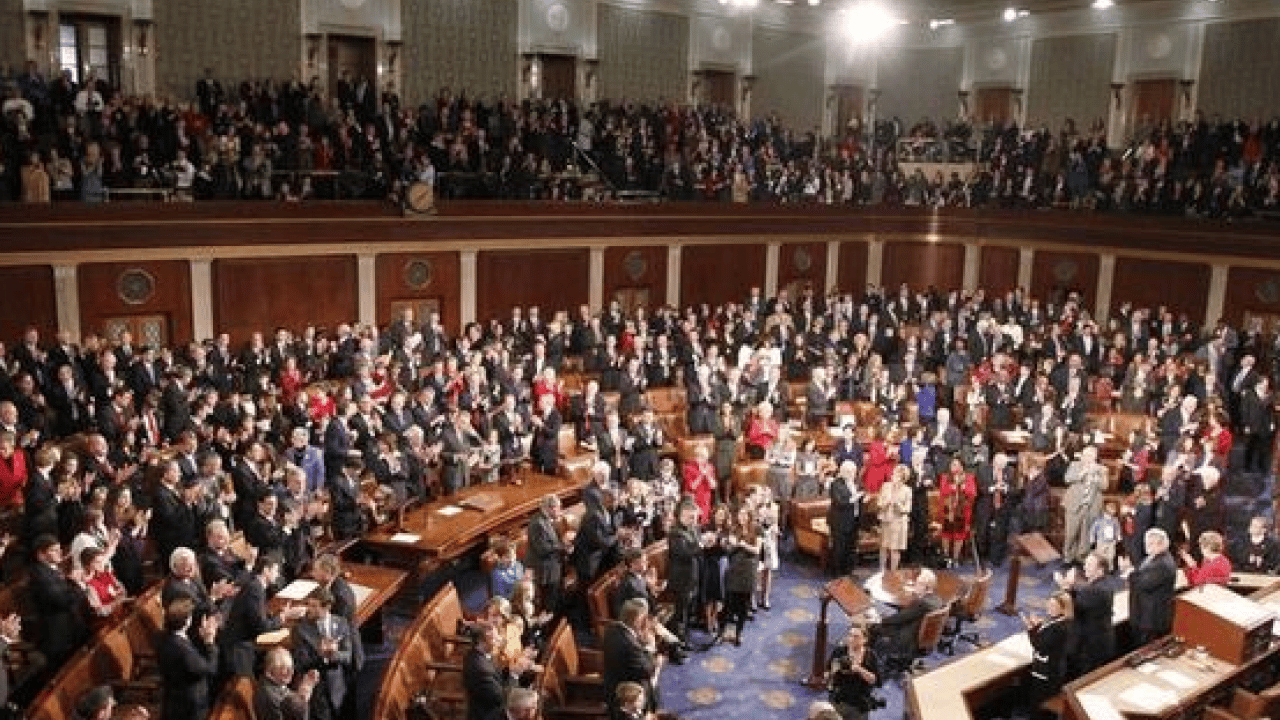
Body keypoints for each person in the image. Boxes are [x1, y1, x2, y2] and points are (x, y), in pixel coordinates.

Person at [221, 555, 306, 676]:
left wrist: (278, 615)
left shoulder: (256, 586)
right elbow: (261, 626)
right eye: (275, 570)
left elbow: (257, 616)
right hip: (238, 649)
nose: (277, 575)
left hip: (242, 645)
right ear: (266, 570)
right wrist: (285, 616)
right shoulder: (255, 588)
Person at [291, 588, 355, 720]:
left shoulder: (341, 623)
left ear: (327, 607)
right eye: (308, 604)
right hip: (317, 691)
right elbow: (301, 663)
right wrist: (321, 655)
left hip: (338, 686)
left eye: (314, 606)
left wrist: (333, 654)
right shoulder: (300, 629)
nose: (309, 609)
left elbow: (348, 656)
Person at [29, 533, 89, 669]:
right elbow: (62, 600)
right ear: (41, 554)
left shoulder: (50, 570)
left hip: (69, 628)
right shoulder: (40, 576)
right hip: (59, 636)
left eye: (59, 548)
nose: (60, 552)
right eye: (54, 550)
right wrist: (76, 583)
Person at [156, 598, 219, 720]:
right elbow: (210, 669)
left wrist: (202, 638)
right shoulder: (182, 650)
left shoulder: (164, 637)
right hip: (189, 706)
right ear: (188, 620)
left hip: (173, 699)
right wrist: (210, 642)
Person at [1056, 552, 1115, 677]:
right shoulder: (1103, 584)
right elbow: (1080, 593)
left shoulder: (1095, 590)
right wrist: (1070, 587)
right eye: (1085, 563)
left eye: (1089, 564)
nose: (1085, 567)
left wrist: (1065, 586)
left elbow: (1069, 608)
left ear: (1100, 571)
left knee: (1083, 679)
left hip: (1089, 646)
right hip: (1098, 640)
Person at [602, 598, 661, 714]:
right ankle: (649, 711)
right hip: (624, 695)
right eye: (644, 618)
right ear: (636, 620)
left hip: (613, 680)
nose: (646, 621)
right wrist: (651, 647)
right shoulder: (630, 645)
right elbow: (647, 670)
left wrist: (640, 638)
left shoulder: (611, 629)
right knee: (651, 677)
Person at [1121, 527, 1177, 646]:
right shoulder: (1153, 558)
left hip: (1151, 619)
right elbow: (1141, 575)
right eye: (1146, 542)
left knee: (1146, 648)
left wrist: (1129, 573)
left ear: (1161, 544)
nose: (1147, 545)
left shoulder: (1163, 564)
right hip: (1144, 615)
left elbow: (1144, 583)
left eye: (1150, 543)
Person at [1022, 592, 1074, 719]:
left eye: (1053, 606)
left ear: (1063, 608)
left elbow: (1040, 647)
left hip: (1047, 673)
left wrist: (1031, 629)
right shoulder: (1061, 621)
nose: (1049, 608)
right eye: (1049, 604)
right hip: (1053, 669)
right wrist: (1037, 626)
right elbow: (1046, 638)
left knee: (1039, 705)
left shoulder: (1059, 627)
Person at [665, 499, 702, 646]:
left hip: (691, 577)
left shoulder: (692, 529)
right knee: (680, 615)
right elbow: (685, 553)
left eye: (694, 517)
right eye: (690, 517)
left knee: (687, 612)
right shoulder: (675, 533)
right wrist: (701, 545)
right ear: (681, 516)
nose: (693, 520)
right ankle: (677, 646)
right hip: (680, 580)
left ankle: (684, 639)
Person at [827, 624, 882, 720]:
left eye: (856, 636)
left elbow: (874, 680)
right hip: (839, 699)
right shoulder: (839, 651)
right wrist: (833, 671)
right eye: (849, 635)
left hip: (859, 703)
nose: (851, 639)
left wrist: (858, 669)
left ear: (864, 640)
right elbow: (828, 672)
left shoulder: (870, 656)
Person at [254, 647, 320, 720]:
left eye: (291, 668)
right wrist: (302, 698)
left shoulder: (276, 685)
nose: (290, 672)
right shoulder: (268, 694)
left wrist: (305, 689)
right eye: (283, 668)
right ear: (269, 672)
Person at [527, 494, 566, 616]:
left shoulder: (545, 520)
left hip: (551, 565)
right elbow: (542, 549)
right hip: (544, 570)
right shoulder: (537, 523)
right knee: (549, 601)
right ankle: (550, 623)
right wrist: (562, 546)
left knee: (555, 597)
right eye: (558, 508)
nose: (560, 511)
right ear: (551, 508)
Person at [463, 620, 510, 720]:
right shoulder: (480, 668)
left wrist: (511, 670)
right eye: (495, 638)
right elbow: (501, 698)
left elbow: (498, 676)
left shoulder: (482, 655)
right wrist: (515, 675)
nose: (499, 641)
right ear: (483, 640)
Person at [826, 460, 862, 577]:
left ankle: (848, 571)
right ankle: (837, 573)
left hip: (854, 519)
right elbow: (839, 502)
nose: (854, 474)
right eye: (851, 471)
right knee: (839, 547)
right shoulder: (836, 484)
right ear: (844, 471)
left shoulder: (855, 482)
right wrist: (854, 499)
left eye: (854, 471)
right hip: (840, 521)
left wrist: (861, 498)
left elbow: (860, 496)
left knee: (851, 547)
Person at [877, 465, 912, 573]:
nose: (893, 476)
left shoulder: (907, 490)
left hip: (899, 522)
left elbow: (907, 509)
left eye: (896, 475)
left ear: (902, 478)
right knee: (884, 547)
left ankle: (893, 573)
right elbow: (879, 503)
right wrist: (886, 503)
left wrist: (897, 504)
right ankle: (881, 570)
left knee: (894, 549)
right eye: (893, 474)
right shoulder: (885, 486)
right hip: (886, 520)